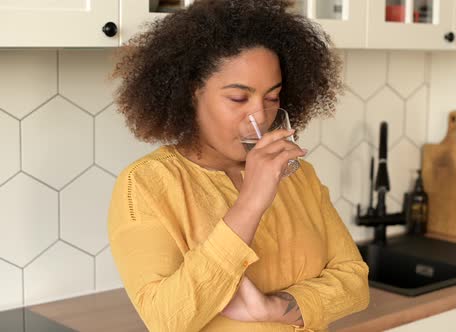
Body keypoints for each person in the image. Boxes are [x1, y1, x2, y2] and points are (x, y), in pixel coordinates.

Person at [107, 0, 369, 331]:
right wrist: (250, 202)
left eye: (272, 98)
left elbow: (355, 282)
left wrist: (275, 307)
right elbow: (166, 319)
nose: (260, 117)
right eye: (238, 98)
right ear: (192, 93)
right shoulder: (145, 184)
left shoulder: (298, 175)